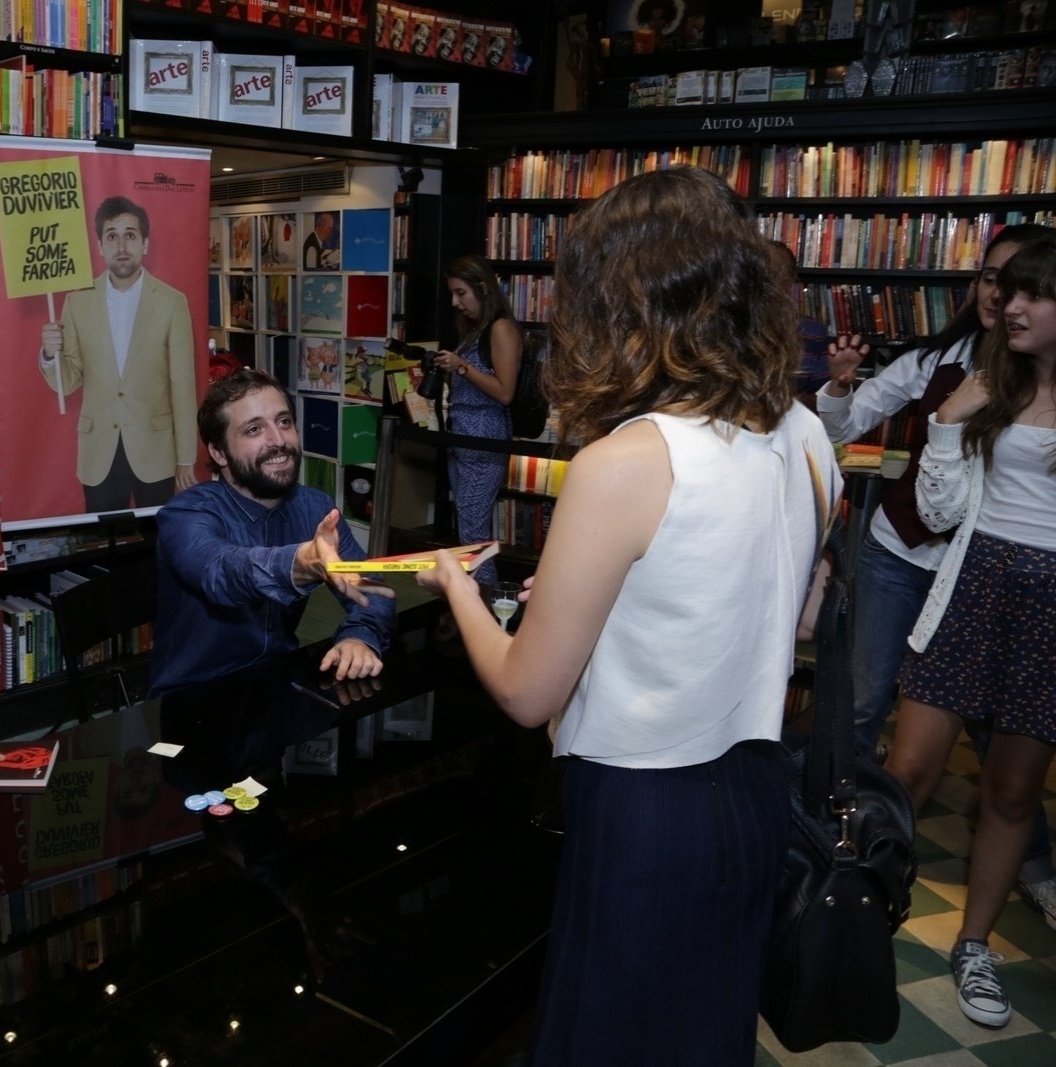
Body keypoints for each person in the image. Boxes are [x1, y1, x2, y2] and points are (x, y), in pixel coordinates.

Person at [416, 167, 840, 1064]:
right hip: (758, 787)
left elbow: (530, 694)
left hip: (644, 809)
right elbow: (790, 614)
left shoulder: (627, 461)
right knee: (707, 1031)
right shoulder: (806, 433)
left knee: (603, 1035)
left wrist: (456, 584)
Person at [816, 224, 1056, 925]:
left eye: (1023, 286)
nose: (1002, 298)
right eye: (994, 280)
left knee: (1006, 754)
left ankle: (1029, 868)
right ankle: (839, 862)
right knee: (871, 710)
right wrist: (838, 389)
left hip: (992, 579)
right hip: (907, 557)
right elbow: (850, 425)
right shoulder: (945, 364)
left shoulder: (1021, 377)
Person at [882, 236, 1056, 1029]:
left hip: (1050, 608)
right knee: (908, 768)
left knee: (1013, 790)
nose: (1011, 306)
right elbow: (944, 514)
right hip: (973, 583)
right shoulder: (990, 382)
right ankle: (864, 908)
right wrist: (949, 422)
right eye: (1008, 290)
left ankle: (975, 944)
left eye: (1035, 294)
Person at [150, 369, 396, 696]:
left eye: (284, 422)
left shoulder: (315, 508)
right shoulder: (185, 515)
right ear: (219, 452)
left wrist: (358, 637)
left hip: (279, 687)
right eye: (254, 429)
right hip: (193, 701)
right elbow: (220, 571)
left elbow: (371, 591)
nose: (278, 440)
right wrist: (299, 562)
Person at [40, 196, 197, 512]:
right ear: (100, 246)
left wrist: (186, 458)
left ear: (145, 243)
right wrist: (49, 353)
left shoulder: (171, 302)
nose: (121, 244)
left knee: (156, 544)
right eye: (112, 235)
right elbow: (67, 382)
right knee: (102, 547)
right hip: (100, 454)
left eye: (130, 234)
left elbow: (183, 386)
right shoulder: (77, 301)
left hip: (157, 452)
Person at [430, 255, 521, 587]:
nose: (456, 302)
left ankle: (488, 603)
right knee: (467, 526)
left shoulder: (501, 328)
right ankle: (478, 601)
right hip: (462, 436)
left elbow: (505, 392)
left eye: (461, 293)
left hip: (483, 438)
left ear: (482, 288)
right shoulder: (475, 331)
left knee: (473, 531)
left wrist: (463, 367)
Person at [769, 240, 832, 400]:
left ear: (789, 281)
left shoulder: (813, 332)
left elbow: (822, 401)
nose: (767, 283)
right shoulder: (721, 327)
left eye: (775, 273)